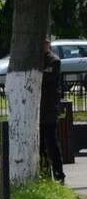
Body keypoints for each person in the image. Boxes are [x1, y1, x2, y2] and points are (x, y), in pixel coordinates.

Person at [40, 40, 66, 183]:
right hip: (39, 110)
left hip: (49, 109)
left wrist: (38, 74)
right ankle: (44, 174)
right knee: (40, 146)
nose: (42, 45)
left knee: (51, 144)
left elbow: (47, 79)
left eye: (44, 43)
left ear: (48, 44)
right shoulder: (35, 59)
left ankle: (59, 175)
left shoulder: (54, 61)